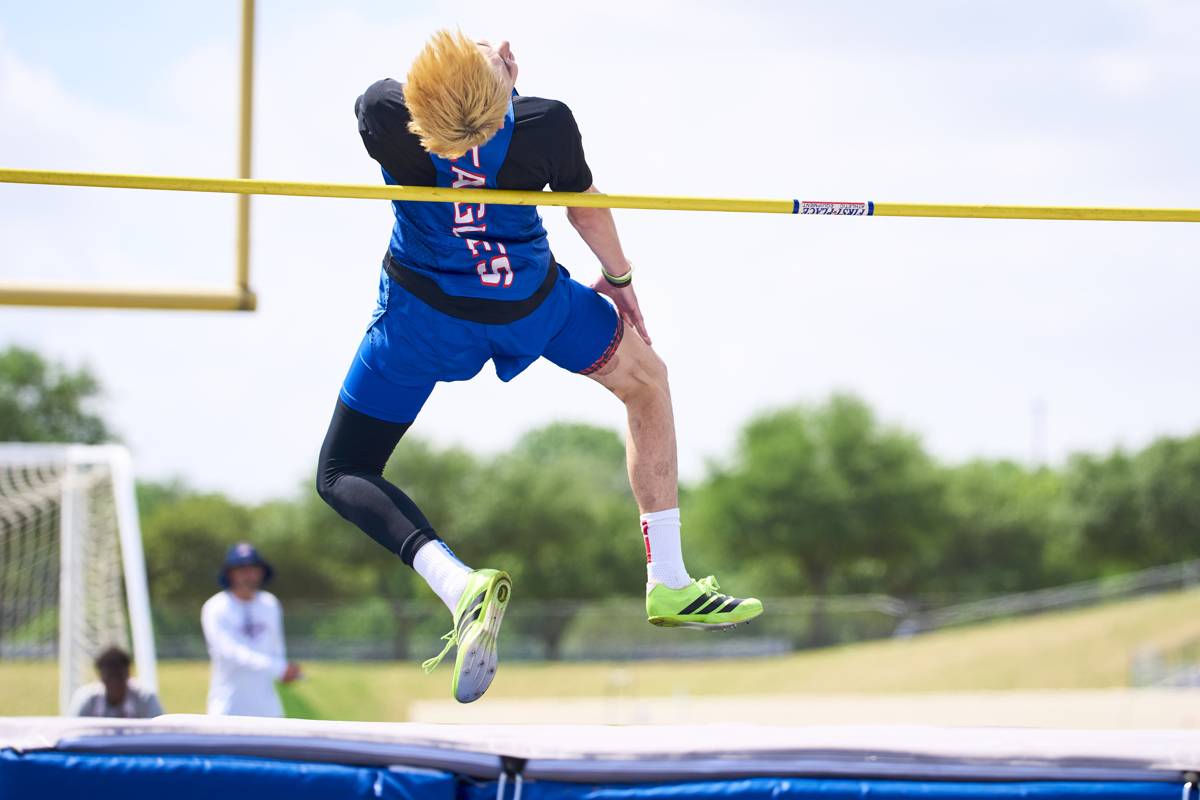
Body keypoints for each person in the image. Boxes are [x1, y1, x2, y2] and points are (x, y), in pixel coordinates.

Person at [317, 30, 762, 704]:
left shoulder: (386, 116)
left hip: (422, 320)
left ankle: (457, 584)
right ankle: (668, 579)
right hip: (531, 306)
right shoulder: (541, 122)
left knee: (343, 471)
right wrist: (619, 278)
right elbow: (582, 203)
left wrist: (466, 83)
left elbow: (409, 100)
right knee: (648, 385)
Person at [201, 542, 301, 716]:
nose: (248, 575)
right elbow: (230, 652)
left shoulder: (269, 604)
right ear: (230, 573)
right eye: (241, 569)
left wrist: (284, 670)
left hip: (267, 708)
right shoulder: (216, 607)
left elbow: (276, 648)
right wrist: (277, 668)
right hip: (229, 706)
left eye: (253, 568)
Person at [67, 645, 162, 718]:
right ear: (100, 676)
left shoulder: (145, 698)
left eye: (119, 676)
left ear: (128, 674)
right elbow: (71, 732)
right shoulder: (86, 699)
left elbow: (161, 733)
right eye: (110, 677)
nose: (115, 683)